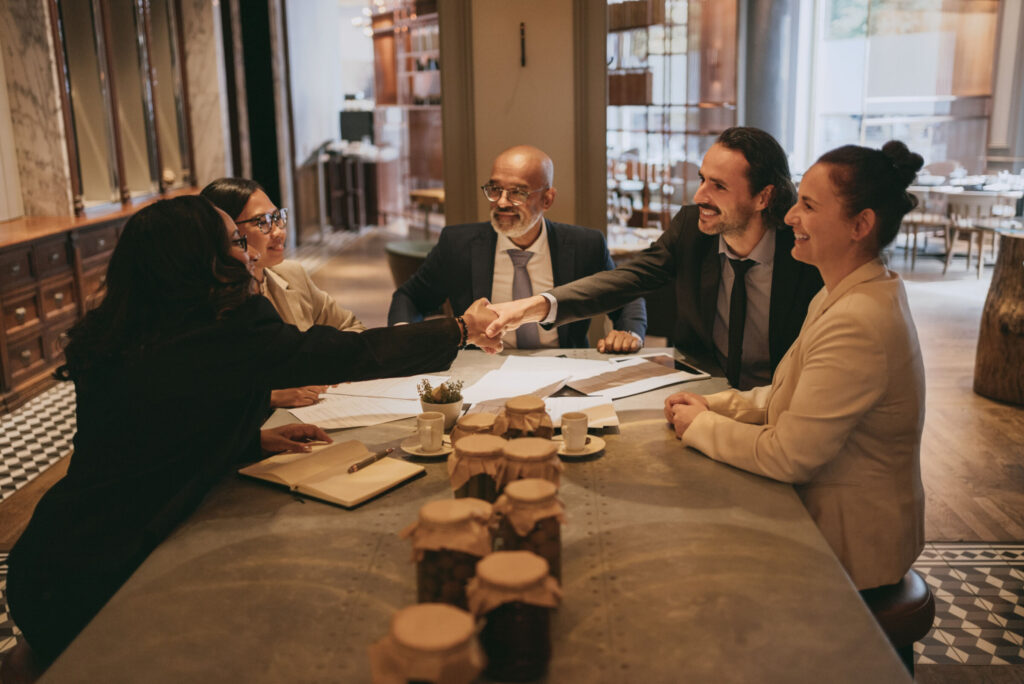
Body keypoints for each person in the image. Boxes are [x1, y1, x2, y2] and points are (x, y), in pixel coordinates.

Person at [3, 196, 500, 672]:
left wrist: (247, 440)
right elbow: (351, 353)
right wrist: (457, 328)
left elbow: (148, 433)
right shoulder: (224, 333)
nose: (252, 251)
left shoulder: (124, 328)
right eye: (238, 242)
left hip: (48, 557)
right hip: (102, 576)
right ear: (204, 261)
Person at [665, 141, 926, 591]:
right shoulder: (840, 291)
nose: (789, 218)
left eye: (807, 205)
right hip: (831, 516)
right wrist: (716, 406)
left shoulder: (857, 319)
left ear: (861, 224)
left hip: (853, 545)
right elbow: (791, 394)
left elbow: (789, 456)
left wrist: (699, 428)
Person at [485, 128, 822, 388]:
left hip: (782, 399)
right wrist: (530, 307)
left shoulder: (804, 252)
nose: (699, 195)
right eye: (702, 179)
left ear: (764, 197)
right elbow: (627, 280)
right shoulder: (691, 227)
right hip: (704, 392)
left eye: (718, 186)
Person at [388, 145, 647, 352]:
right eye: (495, 189)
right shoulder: (458, 244)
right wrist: (402, 336)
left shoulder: (585, 245)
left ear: (547, 199)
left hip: (562, 364)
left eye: (517, 193)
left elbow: (626, 297)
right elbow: (410, 297)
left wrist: (629, 332)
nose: (501, 202)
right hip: (483, 367)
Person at [202, 177, 364, 408]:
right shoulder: (211, 302)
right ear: (226, 231)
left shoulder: (291, 275)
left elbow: (352, 328)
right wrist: (269, 397)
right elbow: (205, 390)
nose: (278, 232)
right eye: (263, 222)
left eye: (277, 218)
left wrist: (329, 367)